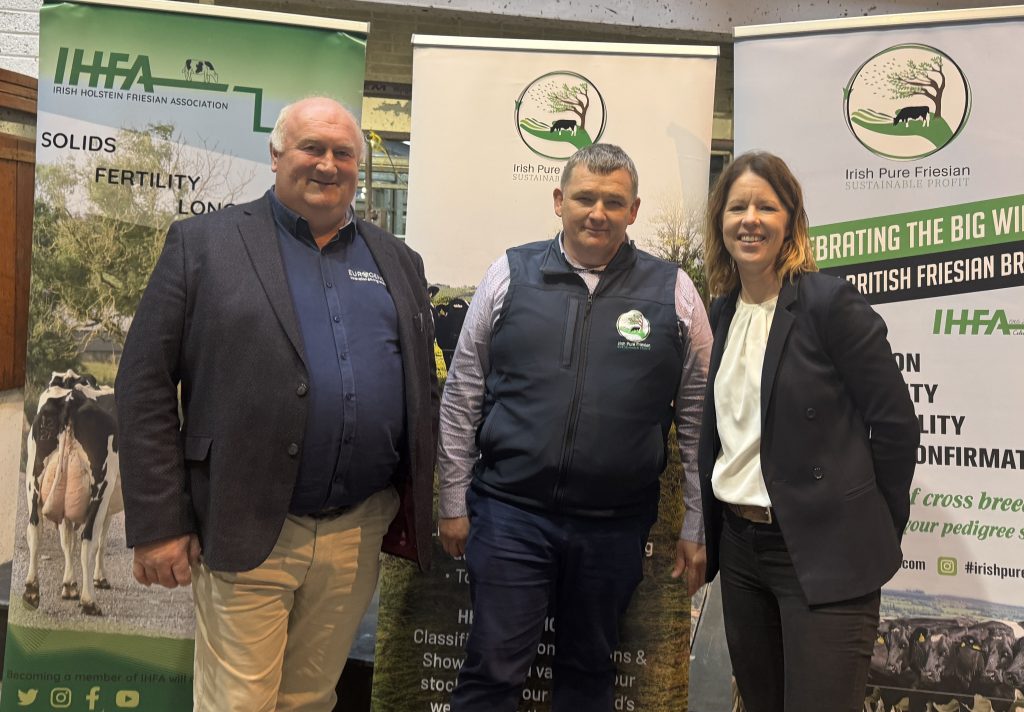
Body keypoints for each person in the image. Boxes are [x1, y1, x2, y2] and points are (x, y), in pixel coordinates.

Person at [115, 97, 439, 712]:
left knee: (311, 699)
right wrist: (160, 523)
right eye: (311, 148)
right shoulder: (203, 245)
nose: (327, 164)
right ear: (275, 155)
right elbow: (145, 384)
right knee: (240, 703)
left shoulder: (395, 259)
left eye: (343, 153)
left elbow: (418, 382)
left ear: (359, 167)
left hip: (356, 528)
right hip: (247, 519)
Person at [437, 142, 712, 711]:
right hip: (511, 516)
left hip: (613, 528)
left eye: (614, 201)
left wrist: (696, 522)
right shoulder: (509, 275)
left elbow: (697, 419)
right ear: (559, 201)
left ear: (634, 210)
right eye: (585, 198)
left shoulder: (675, 294)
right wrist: (451, 498)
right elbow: (463, 390)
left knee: (588, 676)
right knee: (492, 670)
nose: (598, 212)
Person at [697, 151, 919, 712]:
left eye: (766, 206)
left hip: (825, 552)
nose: (750, 218)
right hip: (743, 552)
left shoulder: (828, 304)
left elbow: (895, 424)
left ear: (791, 220)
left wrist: (873, 523)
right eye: (737, 206)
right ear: (720, 220)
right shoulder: (721, 311)